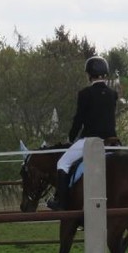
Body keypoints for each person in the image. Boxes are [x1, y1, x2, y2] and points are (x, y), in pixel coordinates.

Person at [46, 56, 118, 211]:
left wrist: (71, 137)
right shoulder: (113, 94)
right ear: (105, 73)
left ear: (89, 74)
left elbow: (79, 119)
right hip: (112, 141)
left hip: (91, 140)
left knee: (62, 163)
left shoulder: (85, 94)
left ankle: (62, 202)